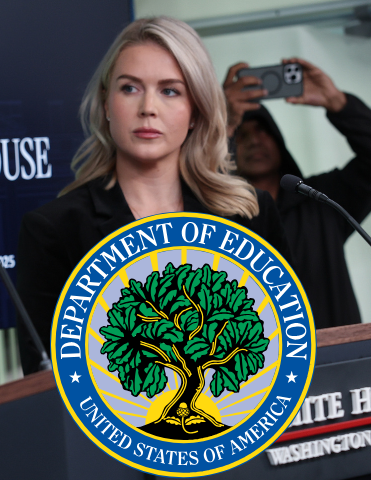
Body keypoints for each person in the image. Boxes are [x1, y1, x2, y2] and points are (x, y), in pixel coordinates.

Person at [16, 17, 292, 375]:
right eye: (130, 88)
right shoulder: (53, 230)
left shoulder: (249, 215)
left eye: (170, 90)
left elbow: (289, 351)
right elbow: (43, 382)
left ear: (196, 110)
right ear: (106, 104)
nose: (148, 107)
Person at [223, 59, 371, 329]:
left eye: (261, 130)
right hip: (261, 366)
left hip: (342, 359)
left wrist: (337, 102)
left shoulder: (322, 199)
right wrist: (222, 123)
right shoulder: (217, 219)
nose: (254, 140)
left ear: (279, 140)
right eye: (241, 135)